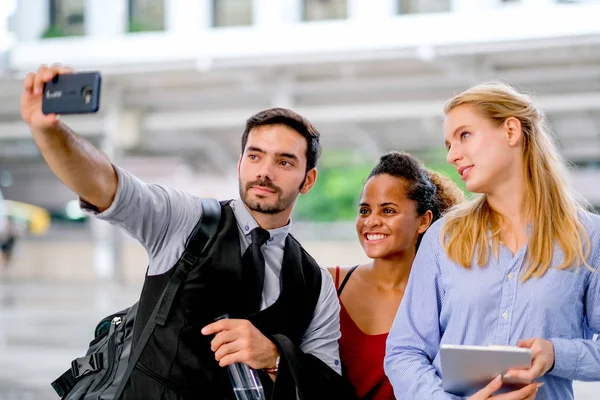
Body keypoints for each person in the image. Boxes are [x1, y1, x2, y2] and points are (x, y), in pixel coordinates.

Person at [21, 65, 356, 400]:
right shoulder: (189, 220)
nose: (264, 172)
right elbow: (109, 187)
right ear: (241, 163)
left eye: (284, 162)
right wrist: (49, 133)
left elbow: (328, 387)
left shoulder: (316, 284)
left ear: (308, 180)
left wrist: (276, 357)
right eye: (255, 156)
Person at [384, 82, 600, 400]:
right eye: (448, 144)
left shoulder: (589, 237)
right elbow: (404, 352)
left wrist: (556, 354)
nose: (452, 155)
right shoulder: (443, 239)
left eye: (464, 135)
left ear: (511, 131)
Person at [328, 151, 465, 399]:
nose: (371, 221)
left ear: (423, 221)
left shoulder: (446, 298)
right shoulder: (329, 284)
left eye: (388, 211)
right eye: (365, 211)